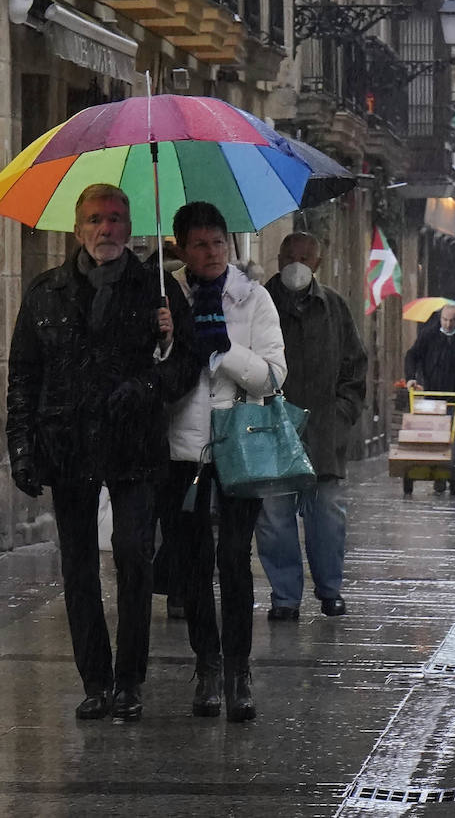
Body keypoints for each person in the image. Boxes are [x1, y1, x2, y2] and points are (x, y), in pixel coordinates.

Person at [6, 183, 202, 721]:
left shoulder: (158, 291)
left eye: (115, 219)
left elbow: (186, 364)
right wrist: (21, 448)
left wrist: (153, 376)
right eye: (95, 219)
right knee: (78, 566)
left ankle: (129, 680)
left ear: (131, 227)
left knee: (134, 556)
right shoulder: (46, 291)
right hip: (67, 444)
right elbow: (24, 373)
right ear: (78, 228)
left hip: (134, 443)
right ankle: (94, 680)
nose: (106, 230)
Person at [159, 201, 286, 722]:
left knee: (234, 558)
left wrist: (224, 350)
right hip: (182, 452)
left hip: (240, 446)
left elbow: (275, 376)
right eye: (199, 244)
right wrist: (166, 339)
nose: (211, 253)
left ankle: (238, 670)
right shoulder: (165, 296)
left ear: (230, 246)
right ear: (182, 249)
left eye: (218, 243)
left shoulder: (253, 299)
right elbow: (155, 378)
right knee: (191, 565)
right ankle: (206, 666)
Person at [255, 232, 367, 622]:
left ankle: (330, 591)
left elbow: (355, 368)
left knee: (328, 516)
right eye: (290, 254)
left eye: (306, 256)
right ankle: (284, 597)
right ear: (278, 257)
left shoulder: (334, 307)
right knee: (274, 517)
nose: (297, 262)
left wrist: (340, 415)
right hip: (271, 431)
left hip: (323, 434)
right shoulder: (258, 301)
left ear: (318, 263)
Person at [405, 304, 455, 493]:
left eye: (452, 321)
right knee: (433, 434)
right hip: (432, 393)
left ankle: (454, 469)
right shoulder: (428, 335)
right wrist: (411, 378)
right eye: (445, 320)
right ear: (440, 319)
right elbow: (412, 356)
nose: (448, 324)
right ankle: (436, 470)